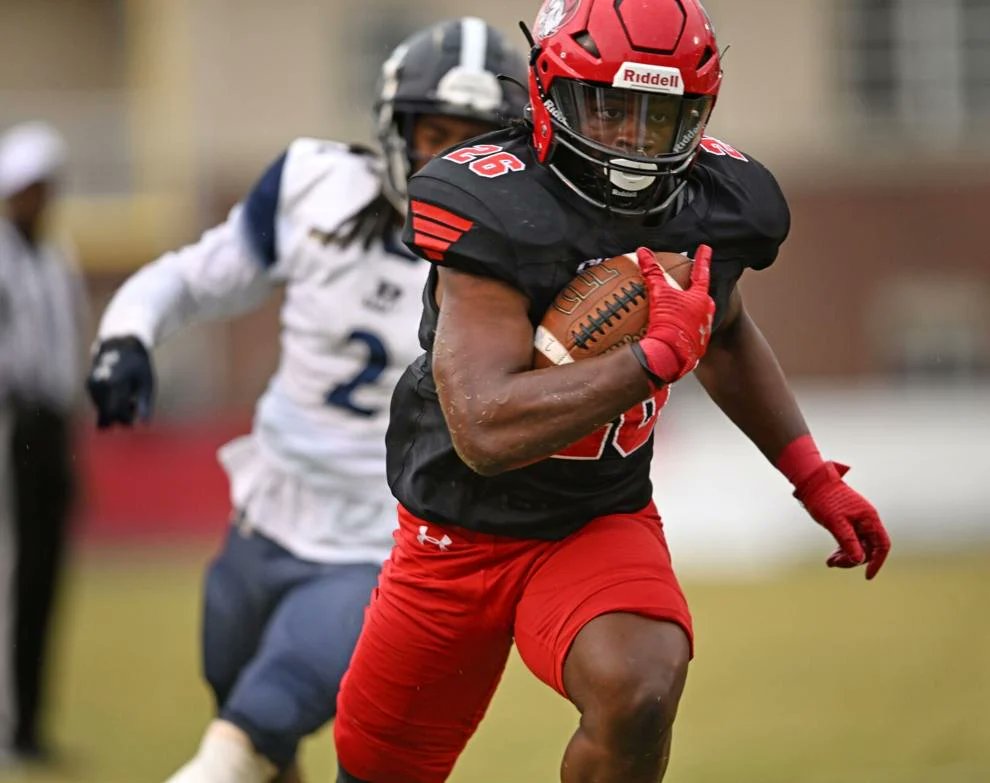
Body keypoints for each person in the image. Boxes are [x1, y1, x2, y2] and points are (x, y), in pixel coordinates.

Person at [332, 1, 893, 782]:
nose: (633, 135)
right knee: (376, 768)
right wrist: (648, 360)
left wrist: (809, 473)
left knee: (640, 684)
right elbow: (484, 429)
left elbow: (723, 331)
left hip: (592, 519)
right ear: (549, 91)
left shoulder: (716, 203)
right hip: (451, 535)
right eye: (610, 106)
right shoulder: (491, 201)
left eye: (660, 114)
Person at [85, 18, 526, 783]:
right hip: (266, 515)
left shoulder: (523, 250)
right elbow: (193, 277)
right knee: (256, 734)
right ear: (395, 130)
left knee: (238, 743)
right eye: (436, 134)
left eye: (473, 139)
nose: (449, 160)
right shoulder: (315, 184)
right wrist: (127, 332)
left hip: (380, 541)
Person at [0, 121, 87, 766]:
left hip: (51, 426)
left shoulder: (56, 256)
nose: (39, 200)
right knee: (9, 575)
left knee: (41, 577)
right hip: (8, 423)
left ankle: (28, 722)